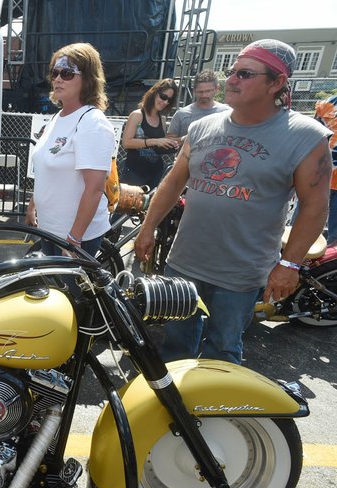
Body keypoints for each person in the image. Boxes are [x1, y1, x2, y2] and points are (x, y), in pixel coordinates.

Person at [134, 39, 332, 365]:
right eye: (232, 71)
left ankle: (217, 416)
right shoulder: (202, 127)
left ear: (277, 83)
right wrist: (148, 227)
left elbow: (315, 206)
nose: (232, 80)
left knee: (222, 355)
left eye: (245, 73)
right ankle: (175, 413)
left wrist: (290, 264)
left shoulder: (305, 136)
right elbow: (172, 184)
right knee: (174, 351)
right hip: (184, 264)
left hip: (240, 275)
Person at [26, 43, 115, 258]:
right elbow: (46, 169)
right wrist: (32, 205)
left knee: (69, 291)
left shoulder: (92, 122)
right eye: (54, 72)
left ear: (88, 79)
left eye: (66, 73)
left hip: (74, 237)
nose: (57, 79)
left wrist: (74, 240)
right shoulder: (58, 117)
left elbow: (94, 189)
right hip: (50, 229)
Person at [120, 78, 179, 190]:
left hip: (155, 174)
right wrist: (156, 141)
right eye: (163, 97)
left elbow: (156, 148)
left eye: (169, 100)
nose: (165, 102)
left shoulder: (162, 119)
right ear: (155, 92)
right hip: (134, 172)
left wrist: (170, 145)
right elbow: (126, 143)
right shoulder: (137, 115)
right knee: (128, 205)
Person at [167, 69, 229, 143]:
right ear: (194, 91)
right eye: (200, 92)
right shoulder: (182, 114)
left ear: (217, 89)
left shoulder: (226, 113)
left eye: (208, 91)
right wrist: (186, 138)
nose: (204, 95)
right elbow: (168, 141)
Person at [314, 94, 337, 245]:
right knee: (304, 217)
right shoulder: (328, 104)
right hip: (319, 173)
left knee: (334, 235)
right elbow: (313, 136)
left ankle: (329, 265)